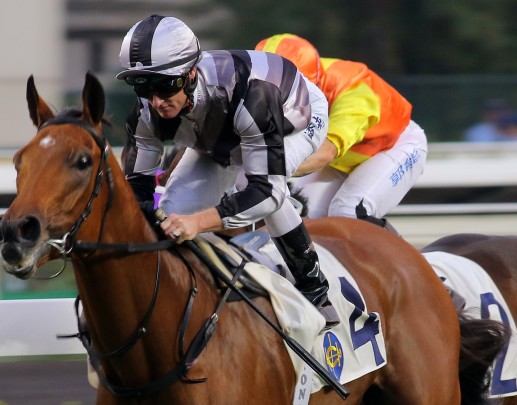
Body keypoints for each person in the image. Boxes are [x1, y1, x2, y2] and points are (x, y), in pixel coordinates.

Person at [116, 15, 339, 326]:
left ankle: (314, 288)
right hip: (219, 130)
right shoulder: (145, 112)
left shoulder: (255, 96)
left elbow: (265, 192)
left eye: (165, 86)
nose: (156, 101)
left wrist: (198, 222)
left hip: (292, 115)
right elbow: (139, 191)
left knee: (254, 182)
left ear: (191, 73)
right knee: (170, 212)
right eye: (142, 87)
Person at [254, 34, 427, 224]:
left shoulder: (353, 91)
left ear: (312, 85)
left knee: (348, 211)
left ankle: (396, 254)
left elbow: (324, 153)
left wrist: (260, 169)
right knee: (299, 215)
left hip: (394, 146)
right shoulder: (297, 72)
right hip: (343, 156)